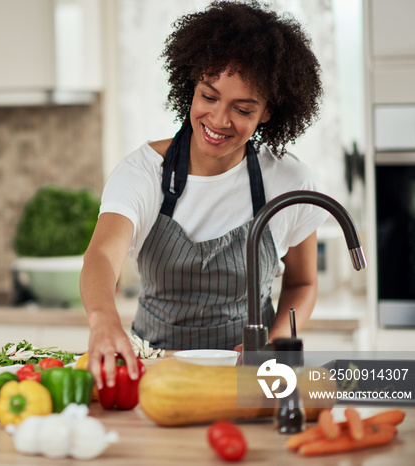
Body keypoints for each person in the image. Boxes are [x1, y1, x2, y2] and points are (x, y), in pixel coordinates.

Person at [80, 0, 329, 388]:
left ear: (267, 111)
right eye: (208, 97)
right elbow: (101, 257)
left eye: (243, 109)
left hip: (248, 377)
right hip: (153, 374)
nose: (218, 120)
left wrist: (277, 343)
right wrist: (103, 320)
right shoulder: (143, 172)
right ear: (191, 86)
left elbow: (302, 283)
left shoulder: (290, 180)